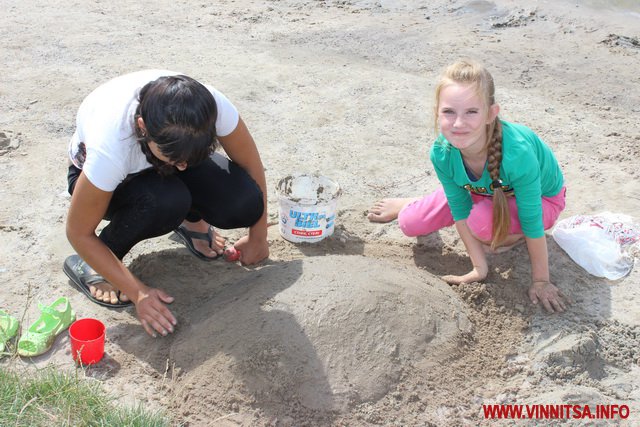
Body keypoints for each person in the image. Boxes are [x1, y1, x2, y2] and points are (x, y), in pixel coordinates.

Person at [63, 70, 269, 337]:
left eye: (191, 158)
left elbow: (250, 165)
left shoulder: (210, 106)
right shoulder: (111, 146)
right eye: (176, 158)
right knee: (166, 201)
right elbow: (77, 231)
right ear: (142, 127)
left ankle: (192, 222)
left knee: (244, 202)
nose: (183, 167)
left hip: (165, 151)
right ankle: (93, 262)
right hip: (106, 182)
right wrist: (139, 293)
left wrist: (259, 236)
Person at [368, 59, 568, 313]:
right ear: (437, 113)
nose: (459, 124)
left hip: (541, 199)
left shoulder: (517, 154)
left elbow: (532, 219)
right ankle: (410, 203)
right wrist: (479, 267)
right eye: (449, 112)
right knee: (410, 223)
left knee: (484, 226)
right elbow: (459, 209)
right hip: (479, 190)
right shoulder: (442, 152)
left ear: (490, 114)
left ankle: (493, 220)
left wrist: (541, 280)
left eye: (471, 112)